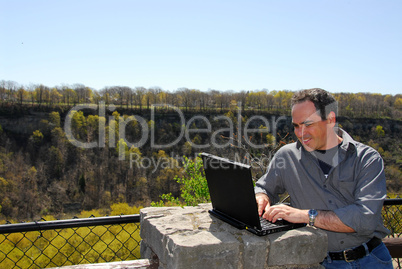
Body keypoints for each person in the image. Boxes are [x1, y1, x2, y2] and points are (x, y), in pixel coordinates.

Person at [255, 88, 393, 268]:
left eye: (308, 124)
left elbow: (365, 219)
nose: (300, 133)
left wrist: (304, 215)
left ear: (330, 120)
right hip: (319, 262)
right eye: (296, 126)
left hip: (371, 260)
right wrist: (261, 197)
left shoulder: (367, 158)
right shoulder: (286, 156)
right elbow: (264, 187)